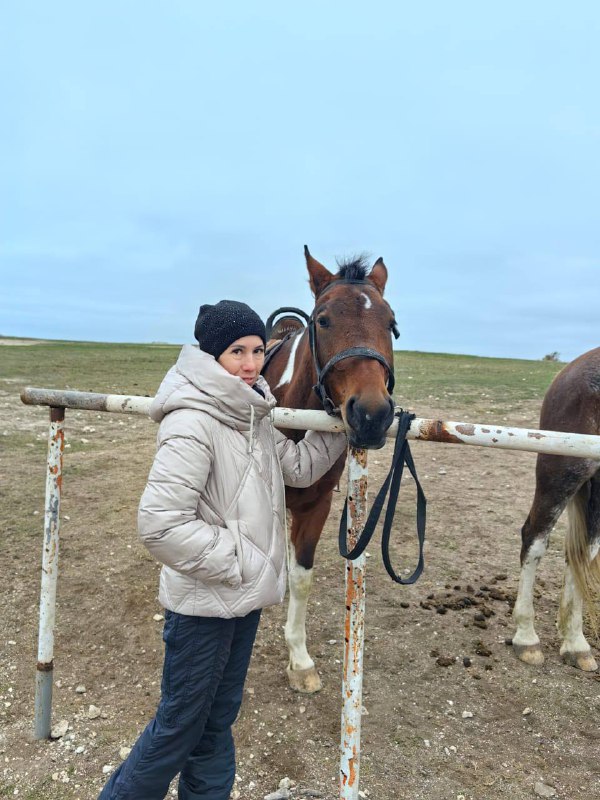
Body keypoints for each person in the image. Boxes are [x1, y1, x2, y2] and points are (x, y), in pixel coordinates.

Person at [98, 300, 347, 800]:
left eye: (257, 350)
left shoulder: (250, 413)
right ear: (211, 356)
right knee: (177, 731)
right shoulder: (194, 422)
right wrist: (240, 561)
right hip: (204, 605)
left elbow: (296, 468)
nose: (251, 363)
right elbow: (160, 524)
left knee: (215, 726)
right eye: (236, 351)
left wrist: (344, 425)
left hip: (242, 600)